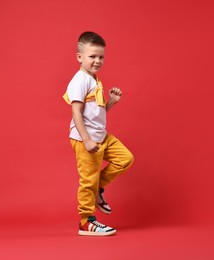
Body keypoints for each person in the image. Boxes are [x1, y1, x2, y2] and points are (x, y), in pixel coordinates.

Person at [63, 31, 134, 236]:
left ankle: (97, 189)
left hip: (101, 135)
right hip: (86, 138)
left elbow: (95, 113)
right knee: (88, 179)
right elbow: (76, 112)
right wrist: (86, 139)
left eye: (101, 56)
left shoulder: (94, 79)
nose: (97, 60)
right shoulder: (80, 81)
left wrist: (111, 101)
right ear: (80, 57)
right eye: (92, 56)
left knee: (125, 159)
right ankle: (86, 222)